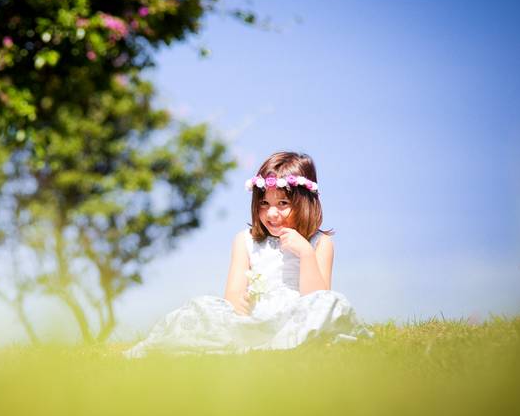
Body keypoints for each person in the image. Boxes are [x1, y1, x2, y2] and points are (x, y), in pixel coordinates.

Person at [123, 151, 372, 357]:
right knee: (204, 306)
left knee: (334, 303)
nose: (271, 213)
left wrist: (305, 253)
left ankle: (287, 342)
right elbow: (232, 297)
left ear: (305, 203)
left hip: (296, 320)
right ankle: (254, 343)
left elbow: (318, 300)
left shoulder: (320, 243)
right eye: (264, 203)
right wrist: (243, 306)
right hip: (255, 321)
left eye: (283, 204)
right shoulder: (245, 241)